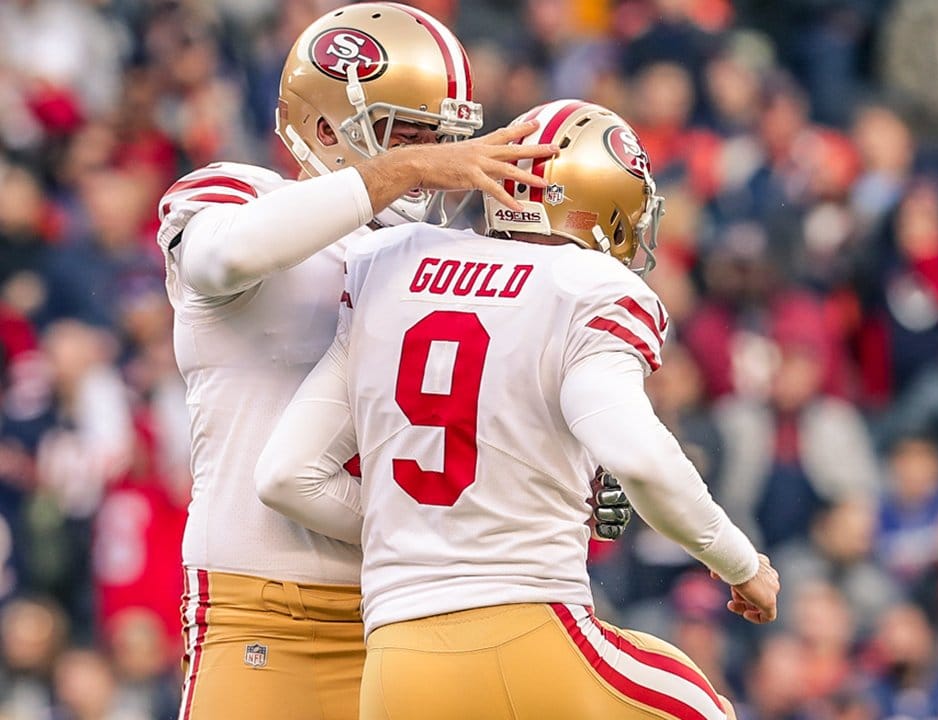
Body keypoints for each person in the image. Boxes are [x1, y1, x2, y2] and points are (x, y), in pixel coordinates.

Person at [155, 5, 628, 719]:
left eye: (449, 142)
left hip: (419, 617)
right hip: (260, 611)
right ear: (321, 125)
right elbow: (225, 257)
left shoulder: (444, 260)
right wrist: (399, 168)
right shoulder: (235, 195)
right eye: (408, 135)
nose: (438, 165)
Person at [255, 100, 780, 719]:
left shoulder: (392, 261)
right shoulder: (586, 285)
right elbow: (636, 453)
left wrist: (436, 532)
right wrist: (740, 563)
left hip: (394, 665)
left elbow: (286, 476)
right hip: (532, 636)